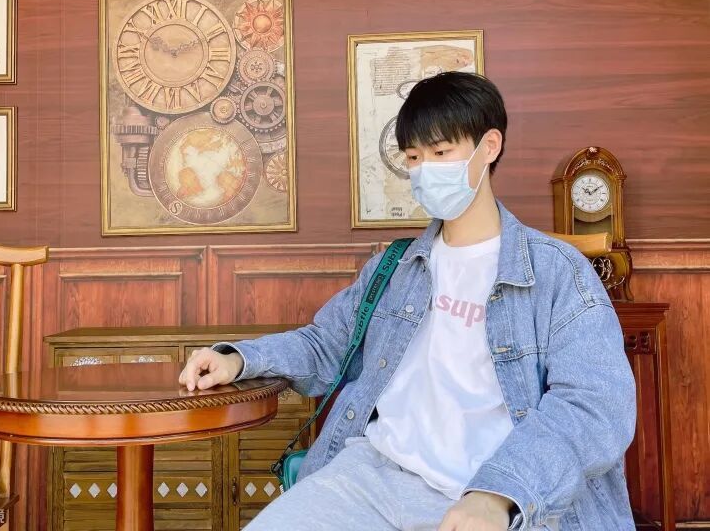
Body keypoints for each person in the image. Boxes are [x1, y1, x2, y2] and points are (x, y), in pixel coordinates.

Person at [178, 72, 637, 531]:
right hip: (374, 475)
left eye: (441, 153)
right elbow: (326, 344)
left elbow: (594, 405)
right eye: (414, 158)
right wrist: (239, 359)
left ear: (489, 146)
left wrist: (497, 494)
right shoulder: (394, 267)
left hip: (499, 495)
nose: (426, 170)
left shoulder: (558, 272)